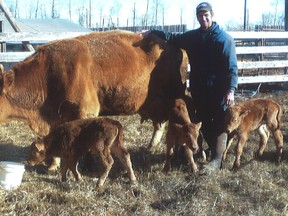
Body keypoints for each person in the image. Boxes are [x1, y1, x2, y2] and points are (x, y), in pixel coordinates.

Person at [140, 2, 238, 173]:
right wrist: (153, 32)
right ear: (197, 17)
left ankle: (216, 160)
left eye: (206, 15)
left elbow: (232, 67)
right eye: (200, 15)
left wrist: (231, 89)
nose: (203, 18)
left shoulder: (224, 39)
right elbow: (172, 37)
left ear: (212, 15)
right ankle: (213, 151)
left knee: (219, 122)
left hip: (218, 90)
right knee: (203, 122)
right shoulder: (193, 37)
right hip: (199, 89)